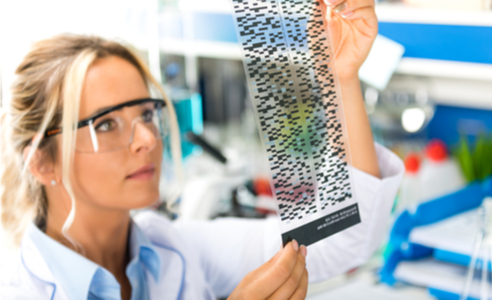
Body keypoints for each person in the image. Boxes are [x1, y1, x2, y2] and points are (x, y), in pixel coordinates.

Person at [0, 0, 403, 299]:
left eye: (146, 114)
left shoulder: (173, 250)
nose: (146, 139)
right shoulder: (18, 290)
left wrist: (340, 78)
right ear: (41, 161)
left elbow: (342, 237)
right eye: (105, 124)